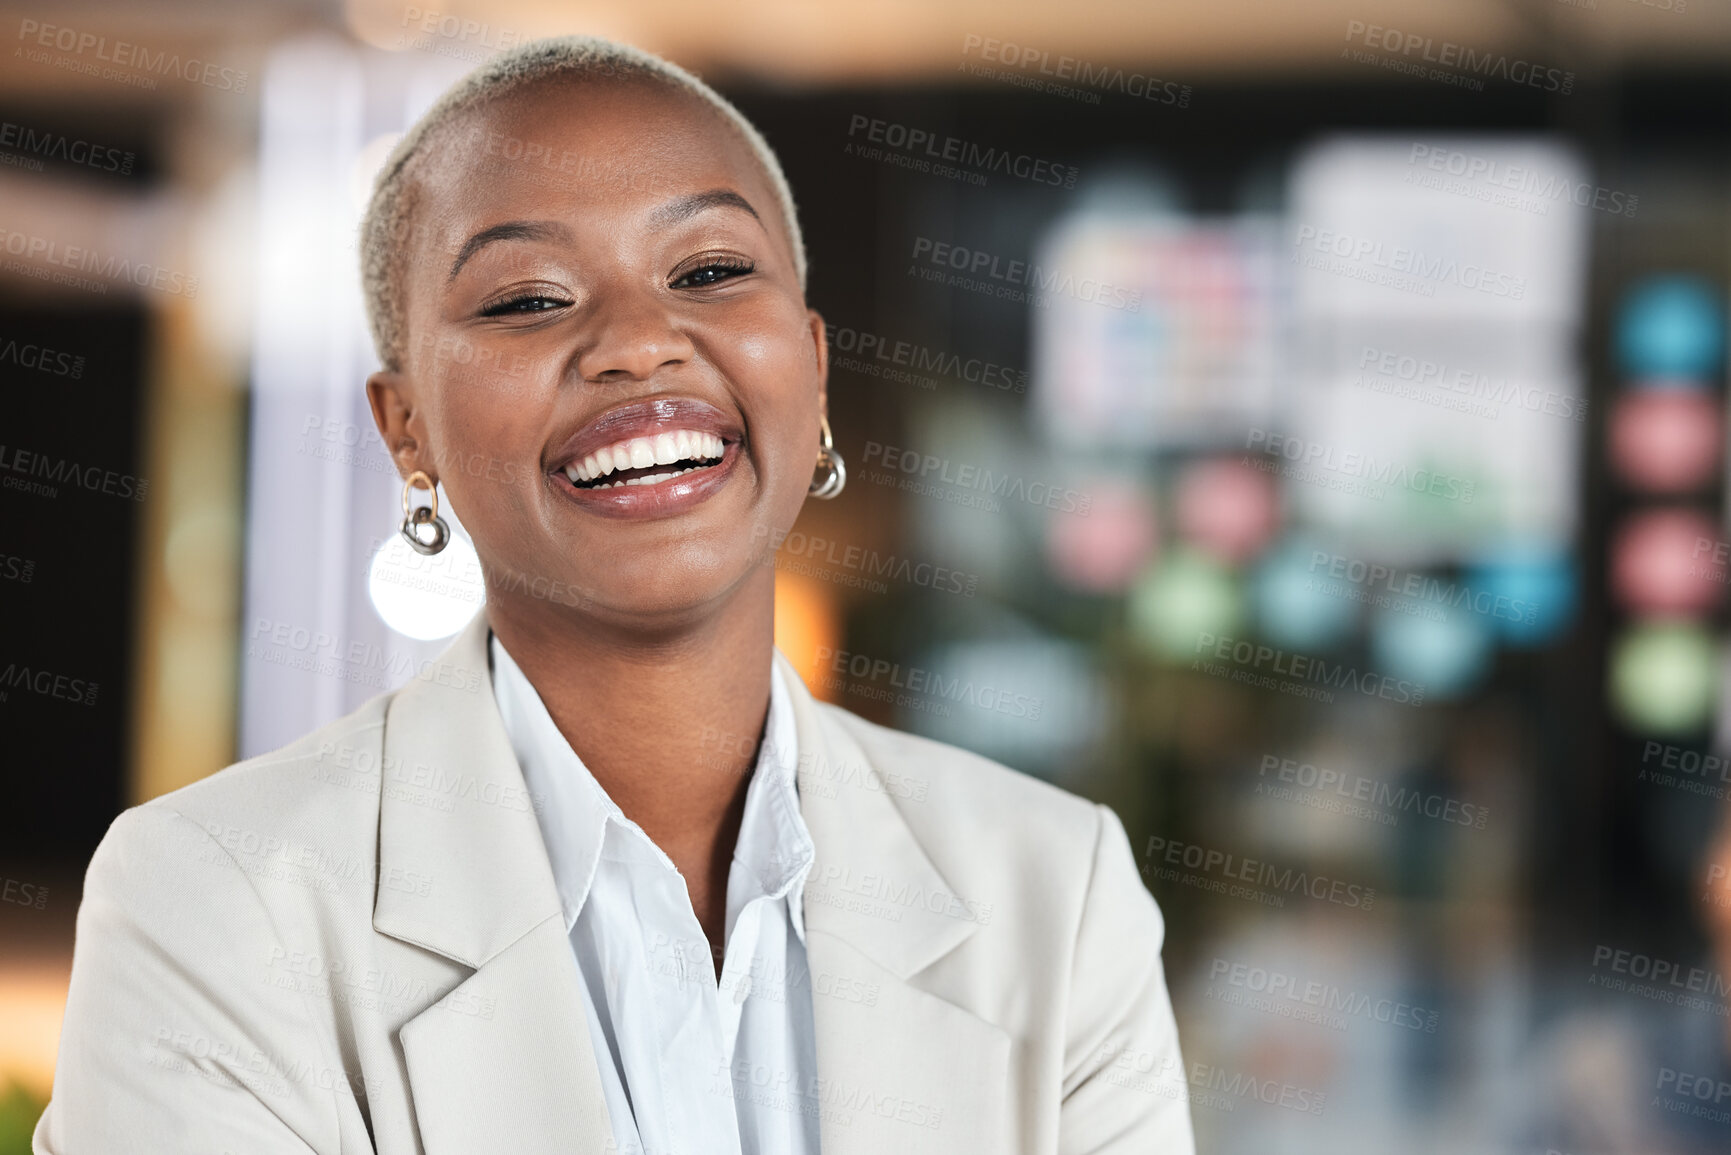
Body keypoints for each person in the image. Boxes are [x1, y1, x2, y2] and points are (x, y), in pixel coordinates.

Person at [33, 36, 1193, 1155]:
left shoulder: (1056, 887)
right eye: (527, 297)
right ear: (408, 432)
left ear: (814, 363)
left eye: (712, 271)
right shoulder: (216, 903)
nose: (639, 343)